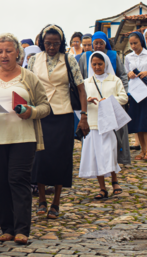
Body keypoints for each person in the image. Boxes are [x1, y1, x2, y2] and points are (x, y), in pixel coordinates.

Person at [0, 33, 50, 245]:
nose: (4, 55)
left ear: (18, 52)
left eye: (8, 51)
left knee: (18, 180)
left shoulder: (28, 77)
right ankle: (7, 227)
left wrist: (30, 111)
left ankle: (22, 229)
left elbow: (45, 107)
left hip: (23, 138)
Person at [27, 24, 88, 220]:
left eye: (55, 43)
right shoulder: (34, 60)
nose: (52, 47)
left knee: (61, 158)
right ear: (41, 43)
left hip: (63, 113)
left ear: (61, 43)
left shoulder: (69, 59)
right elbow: (27, 86)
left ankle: (56, 202)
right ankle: (42, 199)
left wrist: (84, 116)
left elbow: (80, 89)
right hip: (40, 112)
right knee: (40, 157)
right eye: (48, 43)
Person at [78, 52, 128, 200]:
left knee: (109, 152)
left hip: (108, 123)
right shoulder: (86, 82)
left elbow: (124, 98)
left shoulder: (114, 80)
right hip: (92, 123)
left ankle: (115, 181)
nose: (97, 67)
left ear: (105, 64)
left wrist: (109, 100)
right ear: (90, 65)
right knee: (96, 156)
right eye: (94, 64)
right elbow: (78, 100)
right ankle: (102, 188)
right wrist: (87, 100)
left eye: (100, 64)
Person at [79, 31, 131, 165]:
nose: (97, 46)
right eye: (94, 43)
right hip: (92, 99)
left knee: (115, 135)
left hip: (112, 93)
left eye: (100, 43)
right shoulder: (85, 57)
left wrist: (121, 93)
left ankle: (116, 160)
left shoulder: (113, 56)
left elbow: (122, 75)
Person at [124, 31, 147, 161]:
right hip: (135, 91)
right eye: (131, 44)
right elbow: (125, 72)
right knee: (137, 119)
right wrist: (129, 74)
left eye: (135, 43)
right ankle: (142, 151)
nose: (133, 46)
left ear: (141, 42)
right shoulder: (128, 57)